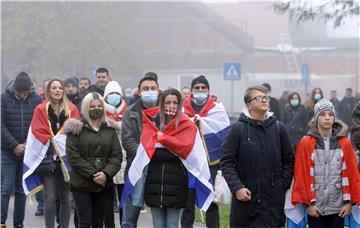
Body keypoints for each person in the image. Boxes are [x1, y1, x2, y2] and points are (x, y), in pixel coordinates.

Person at [220, 85, 294, 227]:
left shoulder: (279, 128)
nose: (264, 100)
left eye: (266, 97)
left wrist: (281, 185)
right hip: (246, 201)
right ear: (249, 105)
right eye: (259, 98)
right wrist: (237, 187)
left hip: (273, 203)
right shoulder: (238, 128)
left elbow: (289, 160)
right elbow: (226, 161)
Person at [291, 98, 360, 227]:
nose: (327, 118)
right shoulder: (305, 143)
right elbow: (301, 176)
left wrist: (349, 203)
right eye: (322, 114)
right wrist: (308, 205)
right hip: (316, 207)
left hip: (338, 207)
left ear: (334, 118)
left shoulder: (344, 142)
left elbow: (352, 174)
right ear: (316, 118)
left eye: (330, 114)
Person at [22, 79, 80, 228]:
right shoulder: (40, 109)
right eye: (54, 88)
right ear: (48, 91)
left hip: (66, 159)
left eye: (60, 88)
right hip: (48, 159)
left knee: (66, 198)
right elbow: (37, 131)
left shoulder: (72, 109)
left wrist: (62, 141)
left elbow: (76, 133)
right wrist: (54, 141)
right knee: (50, 198)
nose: (57, 90)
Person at [65, 92, 122, 228]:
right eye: (92, 106)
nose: (96, 109)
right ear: (86, 108)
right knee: (84, 222)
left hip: (104, 184)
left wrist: (105, 173)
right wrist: (93, 174)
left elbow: (116, 156)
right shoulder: (76, 129)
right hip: (82, 183)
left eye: (99, 106)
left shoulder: (110, 129)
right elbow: (73, 157)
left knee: (99, 222)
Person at [182, 75, 230, 228]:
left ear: (209, 91)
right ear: (191, 91)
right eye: (197, 88)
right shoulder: (182, 110)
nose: (200, 91)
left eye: (203, 88)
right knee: (188, 202)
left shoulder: (217, 109)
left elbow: (223, 132)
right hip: (189, 162)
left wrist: (201, 122)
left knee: (211, 202)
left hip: (211, 162)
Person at [144, 89, 191, 228]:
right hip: (154, 183)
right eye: (168, 102)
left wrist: (163, 140)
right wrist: (172, 148)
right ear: (161, 104)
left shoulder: (185, 125)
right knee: (158, 225)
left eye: (175, 102)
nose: (171, 105)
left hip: (176, 184)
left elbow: (185, 150)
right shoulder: (152, 124)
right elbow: (148, 152)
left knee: (172, 225)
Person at [1, 72, 42, 228]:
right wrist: (14, 145)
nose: (22, 95)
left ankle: (19, 223)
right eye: (20, 92)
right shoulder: (3, 98)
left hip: (27, 151)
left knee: (21, 190)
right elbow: (1, 125)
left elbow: (37, 125)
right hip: (7, 150)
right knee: (5, 188)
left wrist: (26, 145)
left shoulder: (36, 99)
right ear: (15, 89)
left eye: (25, 92)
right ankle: (1, 221)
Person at [121, 73, 160, 227]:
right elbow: (127, 139)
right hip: (136, 169)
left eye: (153, 88)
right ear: (139, 91)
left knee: (160, 218)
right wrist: (144, 155)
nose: (149, 91)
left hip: (159, 169)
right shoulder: (130, 112)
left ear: (158, 90)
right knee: (129, 218)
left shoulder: (165, 112)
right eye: (146, 88)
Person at [103, 81, 128, 227]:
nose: (114, 96)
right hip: (106, 163)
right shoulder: (100, 113)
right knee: (107, 201)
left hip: (124, 162)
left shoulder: (128, 112)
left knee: (125, 201)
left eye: (117, 94)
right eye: (111, 94)